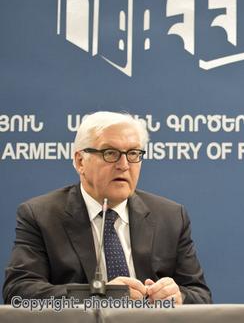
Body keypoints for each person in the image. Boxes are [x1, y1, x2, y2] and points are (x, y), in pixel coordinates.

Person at [3, 111, 211, 304]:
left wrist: (179, 296)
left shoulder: (170, 216)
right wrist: (100, 294)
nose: (124, 165)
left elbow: (201, 295)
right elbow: (19, 291)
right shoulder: (41, 216)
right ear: (80, 161)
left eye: (133, 153)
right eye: (110, 153)